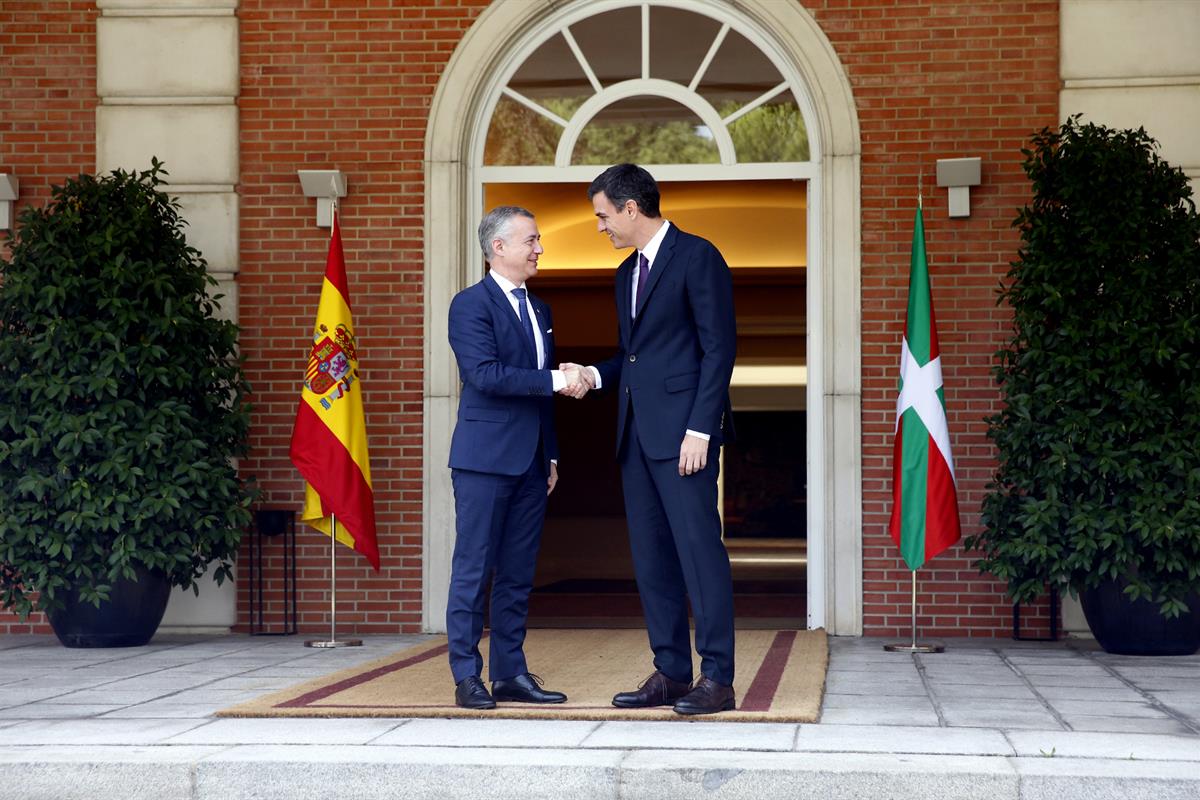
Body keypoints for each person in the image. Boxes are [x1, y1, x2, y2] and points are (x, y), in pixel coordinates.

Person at [565, 164, 738, 715]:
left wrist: (700, 429)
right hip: (636, 439)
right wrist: (594, 376)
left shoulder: (698, 256)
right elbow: (632, 358)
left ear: (631, 208)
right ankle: (671, 672)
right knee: (653, 561)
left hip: (686, 438)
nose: (600, 226)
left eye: (603, 215)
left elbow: (719, 350)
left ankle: (718, 679)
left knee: (698, 554)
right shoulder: (624, 275)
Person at [445, 205, 588, 709]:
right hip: (484, 460)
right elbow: (484, 374)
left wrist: (550, 455)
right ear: (498, 247)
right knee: (474, 568)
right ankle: (467, 676)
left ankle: (510, 674)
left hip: (531, 463)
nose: (539, 249)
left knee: (517, 572)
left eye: (538, 239)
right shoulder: (469, 305)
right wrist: (554, 379)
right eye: (531, 240)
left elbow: (538, 395)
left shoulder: (540, 310)